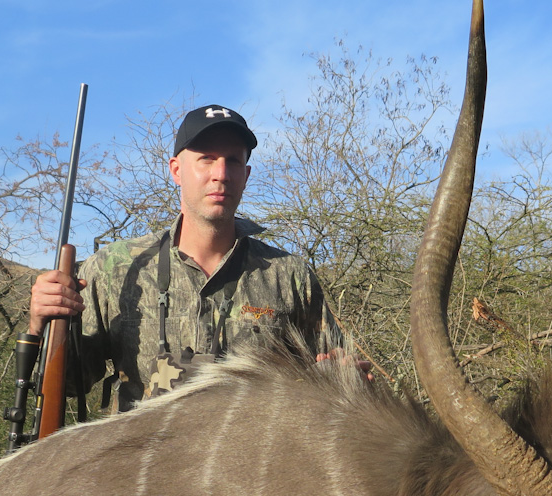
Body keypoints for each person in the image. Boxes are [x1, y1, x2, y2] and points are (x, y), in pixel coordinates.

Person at [28, 104, 346, 414]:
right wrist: (40, 324)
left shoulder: (289, 276)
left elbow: (332, 381)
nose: (221, 174)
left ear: (246, 175)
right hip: (142, 451)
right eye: (206, 159)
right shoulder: (115, 268)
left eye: (233, 161)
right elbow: (66, 384)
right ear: (176, 170)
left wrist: (345, 376)